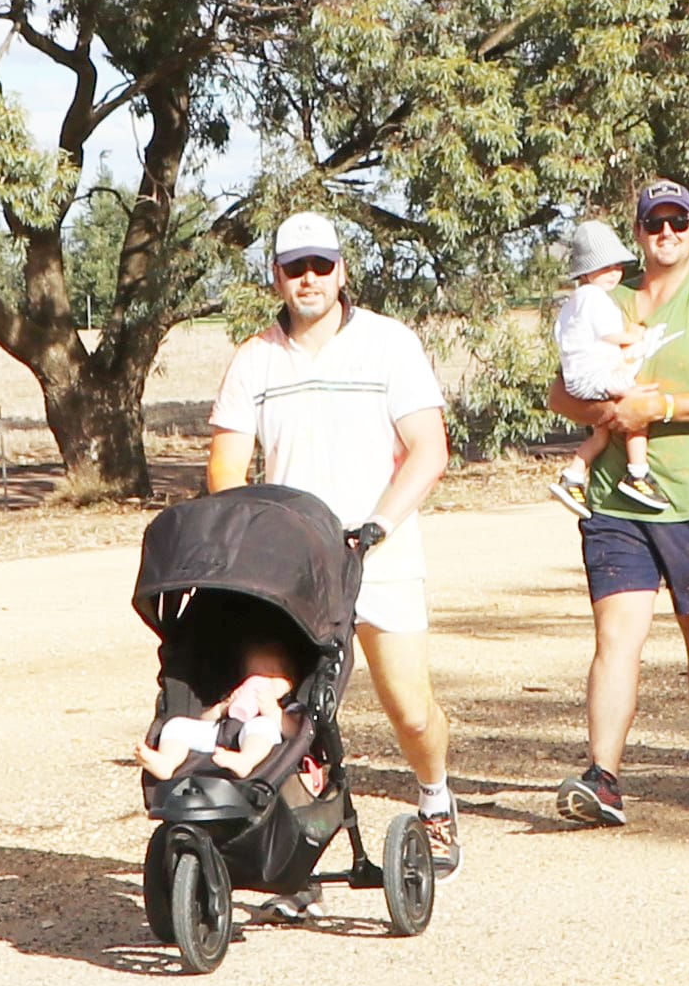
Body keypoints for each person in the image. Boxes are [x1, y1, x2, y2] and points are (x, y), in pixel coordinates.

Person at [206, 211, 460, 873]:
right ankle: (288, 842)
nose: (309, 279)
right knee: (286, 713)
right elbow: (226, 466)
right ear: (276, 277)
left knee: (408, 710)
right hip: (290, 569)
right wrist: (242, 537)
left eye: (321, 265)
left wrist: (376, 524)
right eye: (295, 268)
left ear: (342, 270)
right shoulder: (254, 357)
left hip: (379, 556)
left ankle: (434, 799)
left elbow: (429, 450)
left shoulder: (388, 343)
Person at [547, 179, 689, 825]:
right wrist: (613, 409)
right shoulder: (604, 300)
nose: (665, 233)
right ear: (638, 234)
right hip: (618, 500)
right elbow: (561, 392)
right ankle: (603, 775)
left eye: (677, 221)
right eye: (653, 223)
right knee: (616, 636)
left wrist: (661, 405)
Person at [547, 218, 668, 517]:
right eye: (604, 268)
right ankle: (638, 474)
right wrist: (634, 335)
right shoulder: (594, 298)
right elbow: (608, 334)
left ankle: (573, 475)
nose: (614, 274)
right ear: (586, 272)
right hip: (594, 376)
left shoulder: (572, 302)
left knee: (600, 435)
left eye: (617, 266)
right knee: (639, 408)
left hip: (579, 377)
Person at [135, 636, 302, 780]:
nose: (262, 681)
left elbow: (296, 732)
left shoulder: (287, 705)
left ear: (291, 682)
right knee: (176, 725)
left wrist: (273, 711)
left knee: (263, 726)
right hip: (220, 736)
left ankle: (245, 761)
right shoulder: (236, 695)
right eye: (253, 675)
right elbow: (204, 719)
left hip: (258, 741)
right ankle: (167, 761)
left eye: (272, 675)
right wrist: (222, 708)